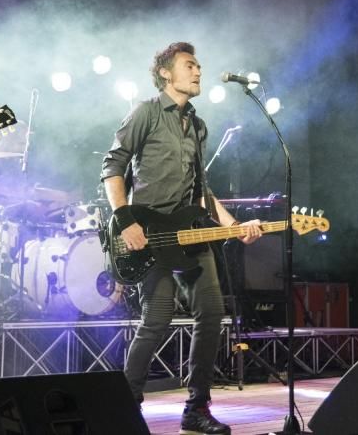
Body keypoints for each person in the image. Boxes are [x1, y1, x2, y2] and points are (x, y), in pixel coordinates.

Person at [101, 42, 262, 435]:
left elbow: (202, 189)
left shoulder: (199, 125)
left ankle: (196, 408)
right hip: (149, 233)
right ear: (165, 74)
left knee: (210, 314)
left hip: (190, 232)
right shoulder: (146, 112)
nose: (198, 70)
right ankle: (125, 406)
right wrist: (125, 221)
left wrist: (233, 225)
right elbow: (113, 165)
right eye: (190, 65)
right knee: (155, 322)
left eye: (199, 65)